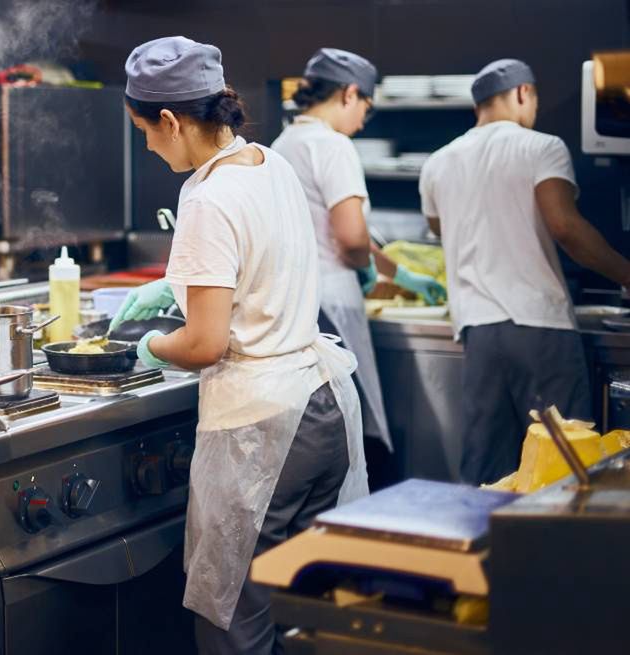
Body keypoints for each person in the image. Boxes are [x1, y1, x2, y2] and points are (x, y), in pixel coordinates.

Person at [109, 36, 368, 655]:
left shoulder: (205, 197)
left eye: (145, 130)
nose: (146, 144)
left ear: (170, 120)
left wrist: (152, 345)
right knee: (302, 616)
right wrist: (172, 287)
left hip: (264, 431)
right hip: (323, 405)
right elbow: (258, 265)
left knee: (236, 623)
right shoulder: (267, 162)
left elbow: (204, 343)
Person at [420, 58, 630, 485]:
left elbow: (440, 229)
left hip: (478, 331)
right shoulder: (540, 147)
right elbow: (565, 227)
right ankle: (558, 551)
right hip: (540, 327)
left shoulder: (437, 163)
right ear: (523, 94)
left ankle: (485, 550)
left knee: (487, 471)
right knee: (566, 465)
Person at [271, 48, 447, 453]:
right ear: (350, 93)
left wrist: (396, 272)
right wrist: (364, 268)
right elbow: (350, 239)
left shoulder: (283, 143)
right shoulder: (332, 146)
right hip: (333, 302)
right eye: (366, 106)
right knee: (351, 423)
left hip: (296, 301)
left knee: (316, 423)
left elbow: (333, 228)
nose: (364, 119)